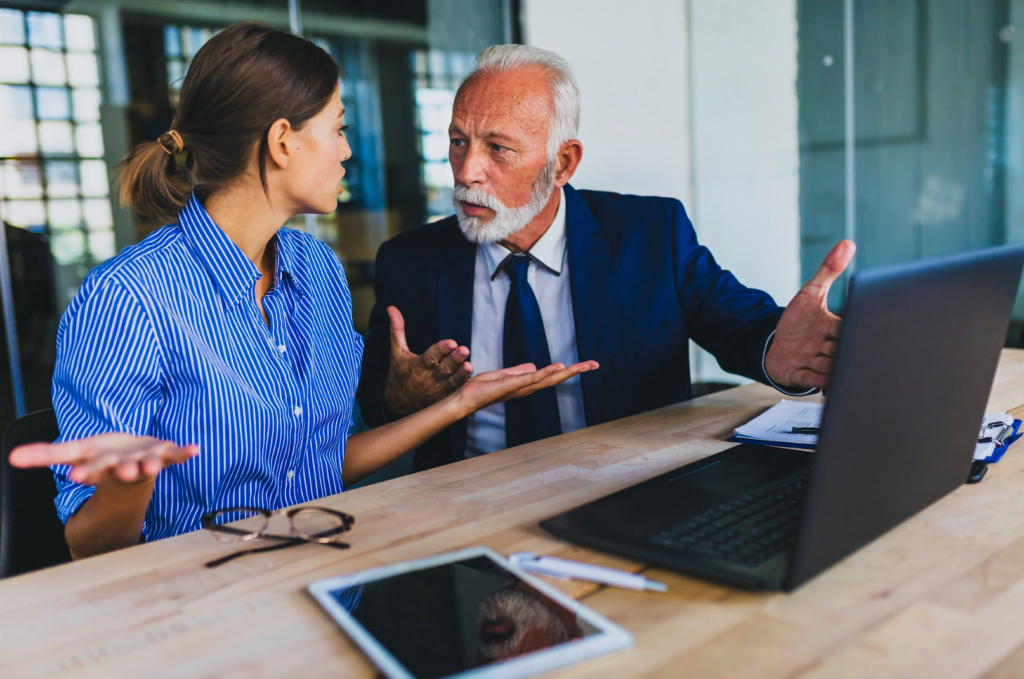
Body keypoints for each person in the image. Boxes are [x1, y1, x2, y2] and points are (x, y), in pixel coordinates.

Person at [8, 24, 594, 560]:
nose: (346, 151)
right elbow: (89, 545)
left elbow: (320, 466)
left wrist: (459, 404)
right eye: (337, 129)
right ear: (283, 142)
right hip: (201, 618)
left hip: (327, 585)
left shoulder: (317, 269)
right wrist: (127, 488)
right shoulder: (128, 299)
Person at [356, 45, 854, 471]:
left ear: (563, 163)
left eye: (498, 149)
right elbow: (380, 403)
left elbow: (738, 324)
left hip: (623, 498)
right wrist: (403, 397)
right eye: (458, 141)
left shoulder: (650, 233)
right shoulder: (410, 262)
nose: (467, 171)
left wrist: (776, 348)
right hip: (463, 520)